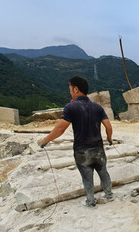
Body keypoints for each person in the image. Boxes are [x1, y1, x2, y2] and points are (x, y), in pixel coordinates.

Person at [37, 76, 114, 208]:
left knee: (87, 177)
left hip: (82, 151)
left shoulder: (70, 107)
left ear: (76, 89)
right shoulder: (98, 108)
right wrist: (109, 138)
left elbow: (60, 128)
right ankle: (109, 195)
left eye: (70, 89)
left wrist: (45, 140)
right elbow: (108, 126)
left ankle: (90, 201)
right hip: (98, 149)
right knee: (103, 172)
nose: (70, 91)